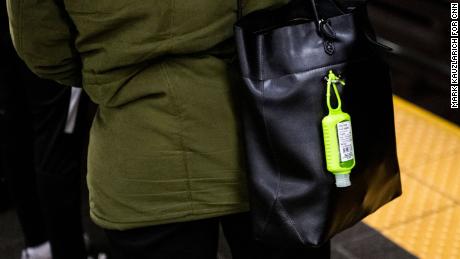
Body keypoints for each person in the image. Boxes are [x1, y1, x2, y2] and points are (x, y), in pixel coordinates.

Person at [6, 1, 330, 258]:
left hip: (137, 161)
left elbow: (42, 49)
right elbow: (271, 17)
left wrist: (111, 76)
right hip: (257, 148)